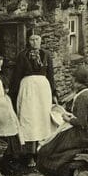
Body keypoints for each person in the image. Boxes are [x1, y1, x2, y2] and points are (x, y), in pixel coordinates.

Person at [36, 66, 88, 176]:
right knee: (53, 143)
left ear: (78, 81)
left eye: (73, 80)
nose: (72, 83)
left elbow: (81, 123)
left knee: (47, 149)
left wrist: (66, 118)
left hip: (84, 133)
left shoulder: (83, 97)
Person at [11, 34, 57, 168]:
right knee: (29, 118)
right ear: (28, 41)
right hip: (28, 88)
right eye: (32, 39)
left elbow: (51, 75)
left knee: (42, 118)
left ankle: (43, 152)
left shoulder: (46, 54)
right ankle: (29, 155)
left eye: (37, 39)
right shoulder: (22, 55)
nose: (34, 41)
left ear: (41, 40)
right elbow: (17, 74)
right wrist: (13, 93)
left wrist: (54, 92)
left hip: (43, 89)